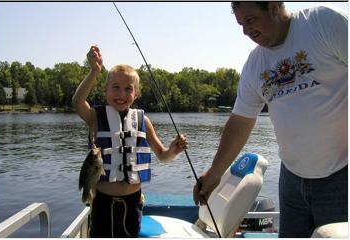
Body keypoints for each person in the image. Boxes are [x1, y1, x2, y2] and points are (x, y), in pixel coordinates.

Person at [193, 2, 347, 238]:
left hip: (341, 175)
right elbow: (241, 121)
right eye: (241, 24)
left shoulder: (323, 23)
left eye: (251, 20)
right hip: (293, 179)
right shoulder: (255, 64)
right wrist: (215, 172)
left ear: (274, 6)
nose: (246, 31)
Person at [73, 45, 188, 237]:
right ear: (105, 90)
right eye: (115, 87)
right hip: (103, 201)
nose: (121, 94)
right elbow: (77, 102)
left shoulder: (143, 121)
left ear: (136, 94)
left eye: (128, 89)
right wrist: (94, 71)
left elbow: (162, 155)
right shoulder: (95, 116)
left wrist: (174, 150)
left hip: (133, 201)